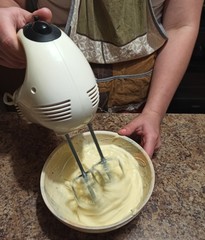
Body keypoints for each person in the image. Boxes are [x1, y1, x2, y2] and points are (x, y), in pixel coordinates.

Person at [0, 0, 203, 158]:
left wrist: (154, 112)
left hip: (138, 94)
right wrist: (5, 10)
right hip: (44, 88)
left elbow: (180, 25)